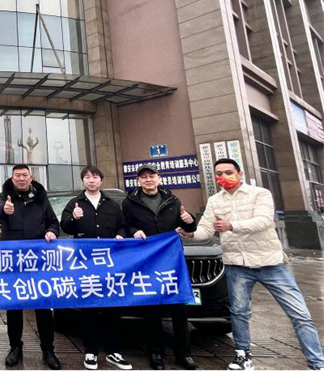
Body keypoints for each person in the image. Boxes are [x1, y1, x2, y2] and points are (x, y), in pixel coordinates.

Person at [181, 158, 324, 371]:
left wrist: (231, 225)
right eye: (219, 174)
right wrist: (190, 233)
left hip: (270, 264)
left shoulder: (260, 194)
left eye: (228, 172)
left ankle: (317, 363)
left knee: (299, 313)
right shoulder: (215, 201)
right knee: (239, 312)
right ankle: (243, 357)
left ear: (240, 174)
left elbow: (264, 221)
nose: (224, 177)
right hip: (237, 265)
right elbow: (206, 230)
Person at [121, 163, 202, 371]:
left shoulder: (172, 200)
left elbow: (187, 227)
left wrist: (189, 220)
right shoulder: (130, 202)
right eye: (144, 177)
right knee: (152, 308)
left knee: (179, 308)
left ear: (159, 178)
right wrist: (134, 231)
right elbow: (124, 225)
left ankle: (184, 355)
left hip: (171, 260)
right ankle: (156, 353)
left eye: (152, 176)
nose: (148, 180)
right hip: (147, 260)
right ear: (138, 180)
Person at [60, 165, 133, 371]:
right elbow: (65, 227)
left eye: (95, 177)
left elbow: (122, 226)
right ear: (83, 181)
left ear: (101, 180)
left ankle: (113, 351)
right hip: (86, 263)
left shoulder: (112, 204)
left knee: (112, 307)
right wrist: (74, 217)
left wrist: (120, 235)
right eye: (87, 177)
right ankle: (91, 351)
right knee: (89, 307)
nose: (91, 180)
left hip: (110, 263)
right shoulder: (75, 203)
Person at [0, 164, 62, 370]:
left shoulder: (41, 197)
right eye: (17, 175)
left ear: (30, 178)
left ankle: (48, 349)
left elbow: (53, 222)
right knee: (14, 306)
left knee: (43, 305)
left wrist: (51, 231)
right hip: (14, 260)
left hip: (38, 260)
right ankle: (15, 347)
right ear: (12, 178)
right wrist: (4, 210)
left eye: (25, 175)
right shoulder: (4, 196)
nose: (21, 178)